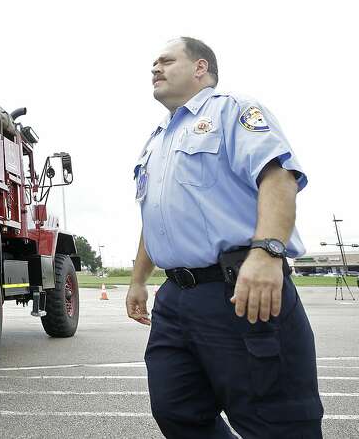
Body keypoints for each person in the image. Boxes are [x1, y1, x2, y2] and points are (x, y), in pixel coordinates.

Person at [126, 36, 323, 438]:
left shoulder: (233, 111)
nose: (155, 69)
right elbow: (156, 215)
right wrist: (138, 280)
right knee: (177, 410)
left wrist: (268, 252)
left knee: (276, 421)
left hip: (239, 290)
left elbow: (278, 177)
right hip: (177, 299)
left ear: (200, 68)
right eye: (153, 64)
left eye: (166, 60)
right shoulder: (157, 139)